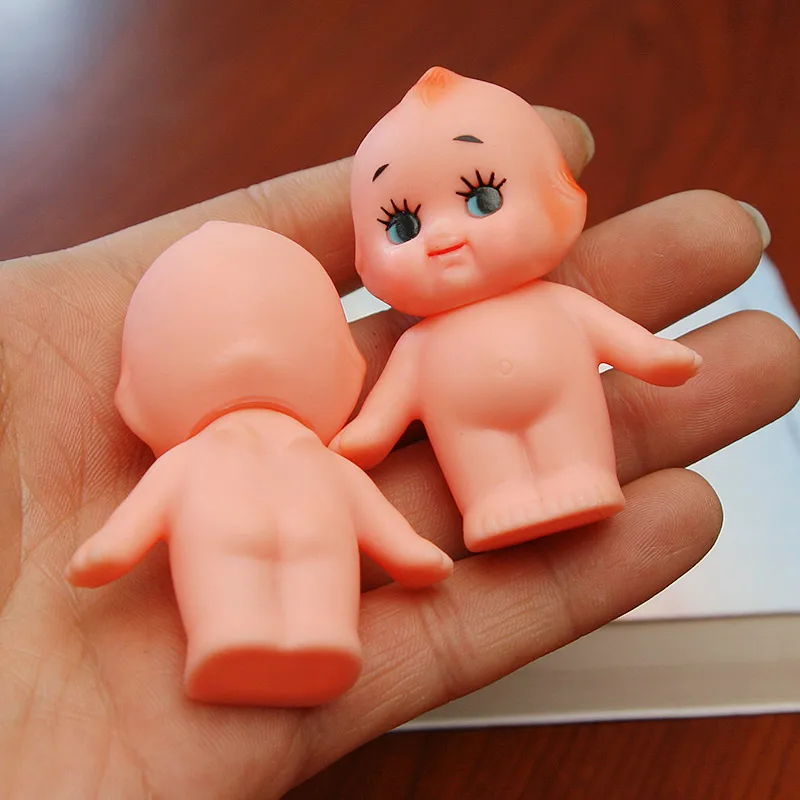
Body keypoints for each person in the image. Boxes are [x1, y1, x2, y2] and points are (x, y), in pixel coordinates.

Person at [0, 108, 796, 798]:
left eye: (483, 198)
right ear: (137, 397)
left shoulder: (517, 322)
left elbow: (370, 497)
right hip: (250, 533)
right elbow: (164, 516)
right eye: (407, 225)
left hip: (406, 491)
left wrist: (658, 359)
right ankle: (238, 636)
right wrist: (110, 550)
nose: (447, 236)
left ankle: (335, 623)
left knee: (322, 568)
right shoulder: (220, 456)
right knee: (244, 575)